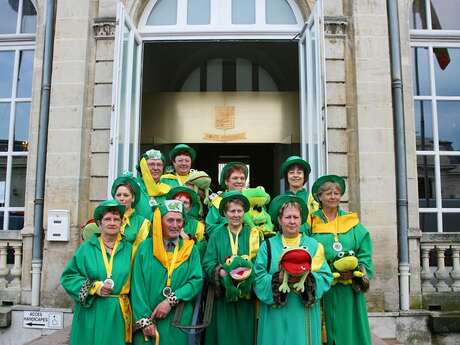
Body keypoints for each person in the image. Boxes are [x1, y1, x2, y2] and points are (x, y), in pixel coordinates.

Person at [254, 195, 332, 345]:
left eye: (296, 217)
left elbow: (325, 276)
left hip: (303, 313)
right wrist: (279, 278)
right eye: (287, 217)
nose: (292, 221)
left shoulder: (313, 245)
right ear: (279, 220)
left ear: (301, 220)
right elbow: (258, 279)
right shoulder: (267, 246)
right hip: (275, 314)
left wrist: (307, 280)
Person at [309, 175, 374, 345]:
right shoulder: (310, 221)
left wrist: (357, 271)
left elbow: (365, 251)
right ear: (319, 197)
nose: (333, 197)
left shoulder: (351, 221)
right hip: (323, 286)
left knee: (349, 331)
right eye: (328, 193)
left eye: (336, 193)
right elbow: (304, 248)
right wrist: (326, 271)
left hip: (349, 288)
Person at [131, 200, 203, 345]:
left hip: (178, 317)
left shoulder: (190, 249)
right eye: (170, 220)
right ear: (160, 221)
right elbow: (137, 286)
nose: (175, 225)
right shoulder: (145, 248)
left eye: (179, 220)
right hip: (149, 318)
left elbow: (196, 281)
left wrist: (171, 300)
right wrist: (144, 321)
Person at [61, 200, 133, 345]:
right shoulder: (86, 248)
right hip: (91, 312)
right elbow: (68, 277)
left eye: (116, 219)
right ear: (99, 224)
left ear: (121, 223)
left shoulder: (130, 249)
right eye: (107, 219)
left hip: (118, 312)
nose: (112, 223)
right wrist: (94, 287)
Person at [202, 191, 261, 345]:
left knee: (245, 336)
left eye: (239, 211)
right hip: (223, 298)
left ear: (244, 212)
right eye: (232, 211)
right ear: (225, 213)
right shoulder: (217, 234)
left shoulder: (253, 234)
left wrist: (249, 276)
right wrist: (220, 272)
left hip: (246, 299)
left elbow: (260, 262)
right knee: (224, 337)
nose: (236, 215)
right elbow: (208, 262)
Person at [81, 173, 151, 256]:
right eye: (118, 195)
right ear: (114, 198)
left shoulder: (143, 223)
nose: (121, 198)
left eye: (126, 195)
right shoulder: (103, 219)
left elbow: (139, 253)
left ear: (133, 198)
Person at [205, 162, 248, 236]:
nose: (239, 181)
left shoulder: (252, 199)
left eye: (242, 178)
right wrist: (230, 227)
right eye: (235, 178)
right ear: (226, 181)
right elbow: (210, 228)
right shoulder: (217, 201)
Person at [166, 186, 206, 256]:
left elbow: (202, 250)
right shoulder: (163, 222)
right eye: (178, 202)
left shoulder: (198, 226)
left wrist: (189, 241)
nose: (181, 205)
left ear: (190, 207)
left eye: (185, 203)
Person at [280, 156, 319, 224]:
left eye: (299, 172)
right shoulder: (280, 199)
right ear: (286, 176)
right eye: (291, 172)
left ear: (304, 176)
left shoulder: (312, 198)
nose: (295, 175)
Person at [136, 149, 171, 219]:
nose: (155, 168)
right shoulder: (133, 187)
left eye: (159, 164)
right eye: (151, 164)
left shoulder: (168, 189)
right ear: (143, 167)